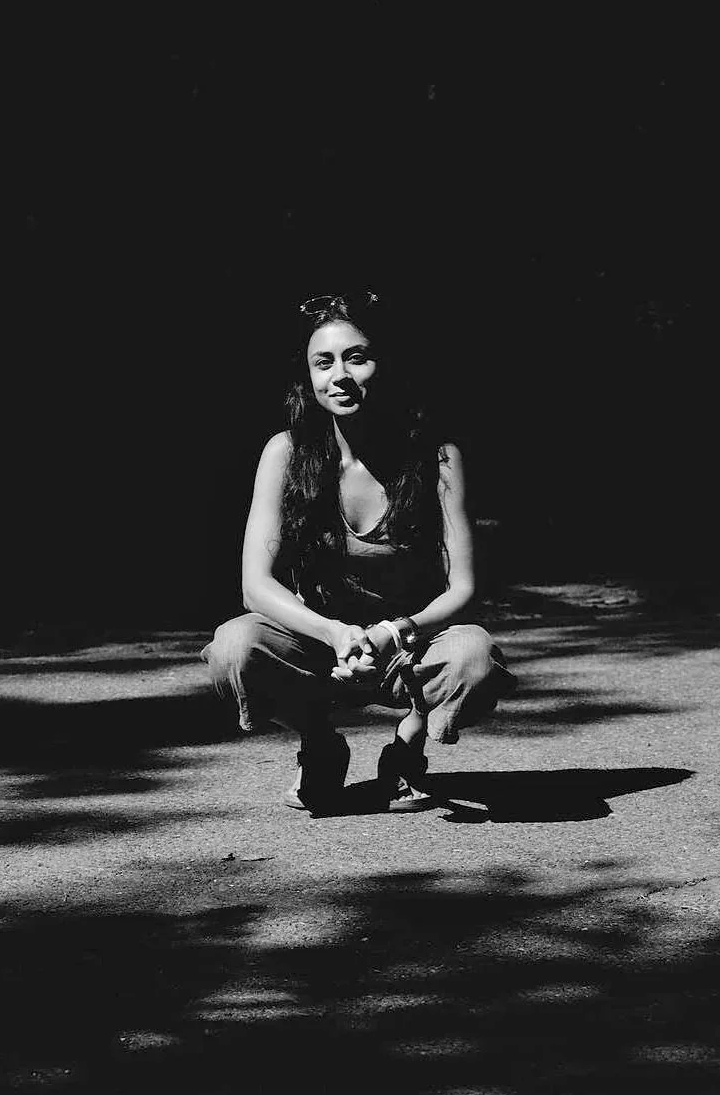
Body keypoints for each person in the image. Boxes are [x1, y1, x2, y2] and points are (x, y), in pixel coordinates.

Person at [201, 290, 516, 813]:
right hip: (322, 647)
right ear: (308, 376)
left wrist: (393, 633)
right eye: (322, 363)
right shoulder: (287, 453)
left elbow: (465, 588)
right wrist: (335, 632)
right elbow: (255, 585)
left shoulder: (437, 458)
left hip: (410, 645)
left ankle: (408, 746)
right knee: (235, 645)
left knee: (474, 656)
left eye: (357, 357)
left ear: (386, 364)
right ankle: (319, 742)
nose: (339, 376)